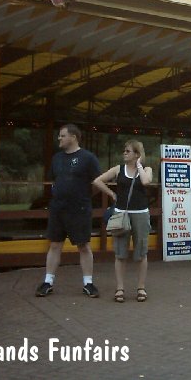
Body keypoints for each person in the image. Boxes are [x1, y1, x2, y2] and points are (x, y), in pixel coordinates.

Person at [36, 124, 102, 298]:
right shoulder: (57, 158)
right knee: (55, 244)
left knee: (83, 245)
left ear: (73, 137)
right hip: (58, 207)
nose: (59, 138)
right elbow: (54, 181)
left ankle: (88, 283)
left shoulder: (88, 158)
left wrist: (84, 197)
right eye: (59, 135)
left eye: (62, 135)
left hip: (79, 208)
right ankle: (47, 282)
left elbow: (98, 182)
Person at [91, 140, 154, 303]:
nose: (124, 153)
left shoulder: (146, 169)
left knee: (141, 252)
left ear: (137, 154)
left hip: (140, 214)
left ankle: (141, 287)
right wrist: (112, 194)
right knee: (120, 253)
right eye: (124, 151)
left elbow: (146, 182)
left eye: (128, 151)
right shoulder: (118, 169)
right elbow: (97, 181)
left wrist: (139, 166)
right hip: (121, 214)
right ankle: (120, 288)